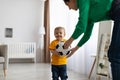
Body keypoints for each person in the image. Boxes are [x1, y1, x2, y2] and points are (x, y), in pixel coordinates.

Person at [62, 0, 120, 80]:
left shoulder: (82, 1)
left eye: (67, 5)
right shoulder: (88, 14)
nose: (69, 8)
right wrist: (75, 49)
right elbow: (87, 35)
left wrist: (69, 41)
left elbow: (81, 26)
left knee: (114, 56)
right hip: (116, 15)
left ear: (72, 0)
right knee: (115, 55)